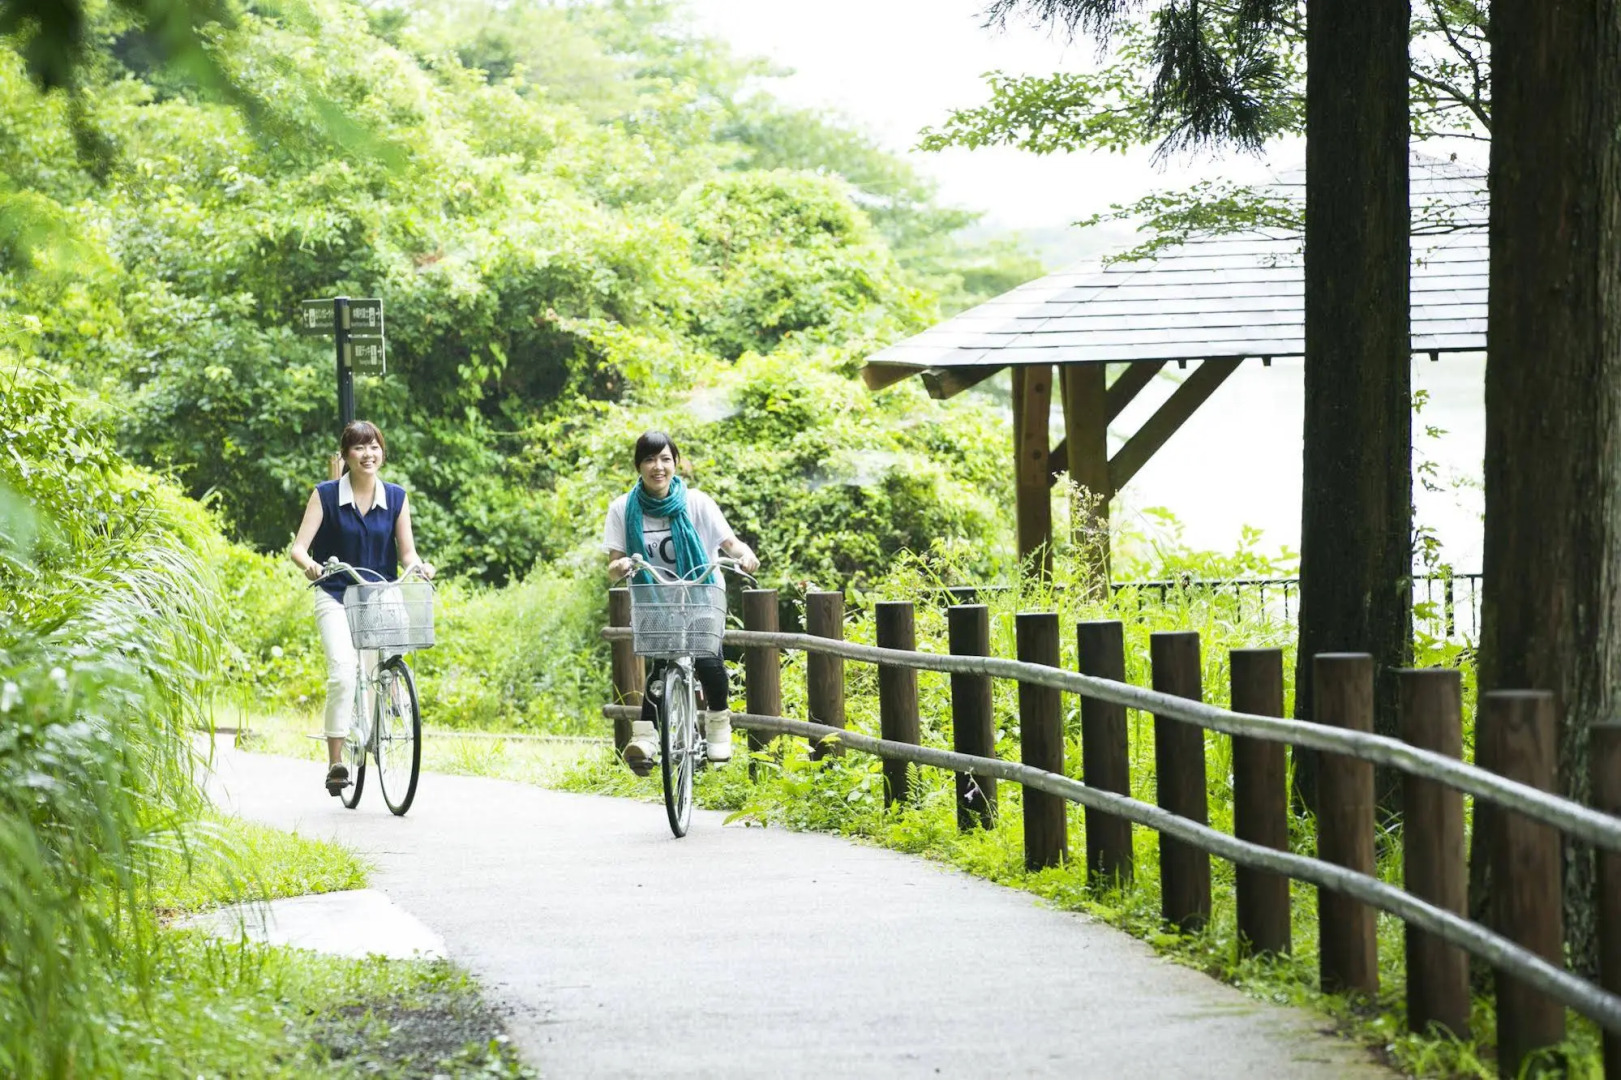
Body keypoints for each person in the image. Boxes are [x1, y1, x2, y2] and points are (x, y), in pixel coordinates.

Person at [288, 420, 435, 796]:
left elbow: (407, 552)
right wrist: (310, 565)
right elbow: (298, 548)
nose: (368, 454)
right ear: (346, 456)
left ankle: (393, 693)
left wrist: (418, 566)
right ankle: (337, 760)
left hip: (379, 591)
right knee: (343, 670)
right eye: (358, 448)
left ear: (382, 452)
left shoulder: (397, 498)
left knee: (396, 641)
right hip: (336, 592)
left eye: (374, 447)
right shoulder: (325, 495)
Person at [604, 431, 758, 774]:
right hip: (655, 599)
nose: (657, 467)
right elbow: (613, 566)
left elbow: (730, 543)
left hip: (702, 594)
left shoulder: (697, 503)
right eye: (649, 460)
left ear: (675, 463)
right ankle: (645, 740)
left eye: (664, 459)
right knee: (660, 668)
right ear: (638, 466)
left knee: (708, 662)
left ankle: (718, 726)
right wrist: (624, 564)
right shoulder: (622, 508)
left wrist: (746, 556)